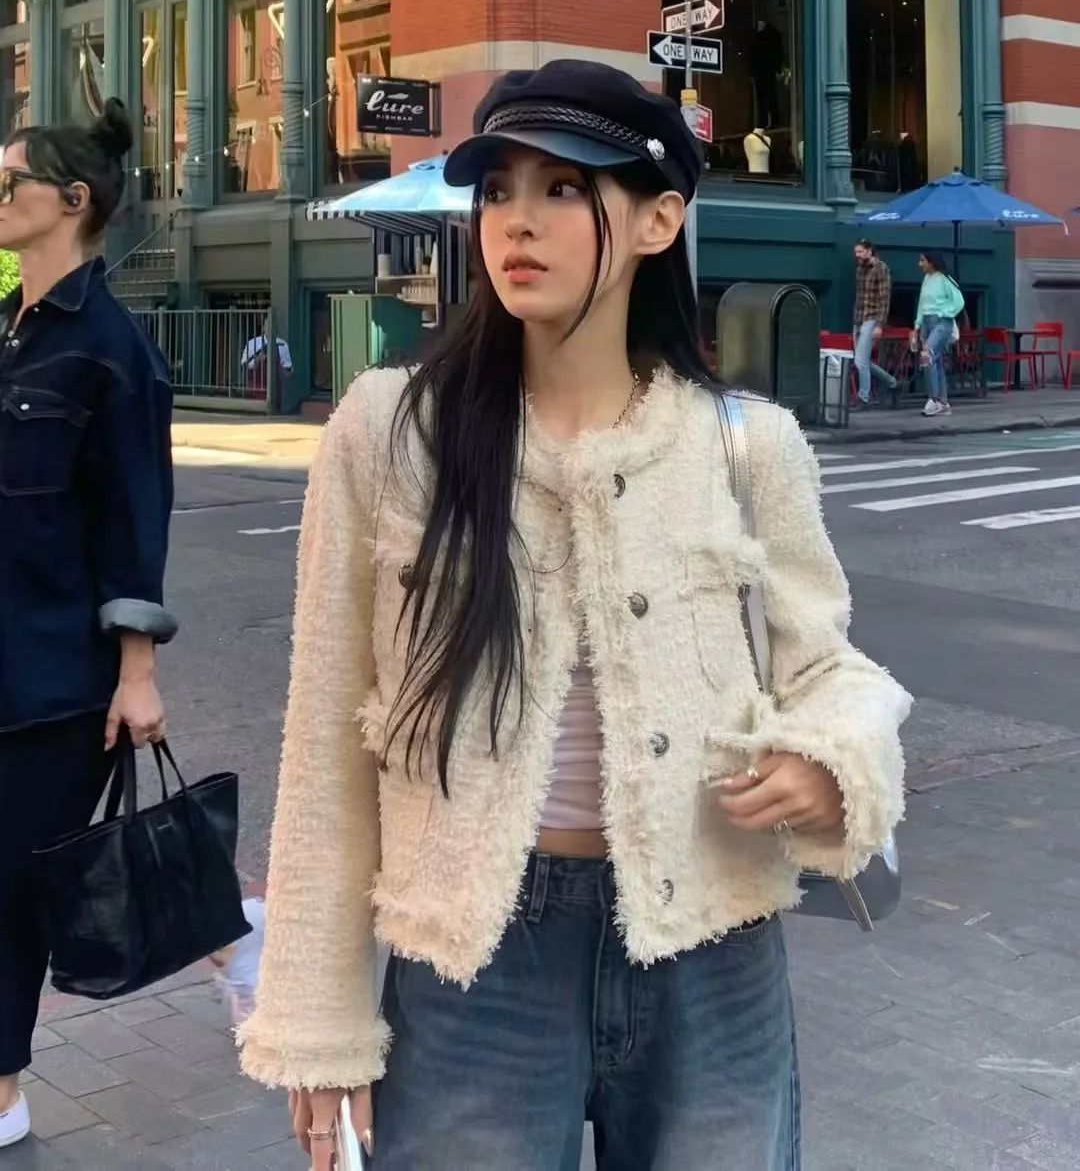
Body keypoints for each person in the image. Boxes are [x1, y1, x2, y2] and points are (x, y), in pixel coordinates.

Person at [239, 60, 910, 1171]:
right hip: (474, 959)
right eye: (498, 189)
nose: (517, 221)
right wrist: (318, 1020)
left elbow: (828, 669)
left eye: (563, 188)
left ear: (658, 220)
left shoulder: (745, 446)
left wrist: (831, 758)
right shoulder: (392, 434)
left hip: (712, 941)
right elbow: (325, 735)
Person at [0, 99, 176, 1149]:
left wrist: (136, 672)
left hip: (53, 678)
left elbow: (135, 520)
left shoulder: (113, 351)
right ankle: (233, 940)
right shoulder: (11, 329)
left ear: (71, 201)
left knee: (16, 887)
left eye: (9, 181)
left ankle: (4, 1094)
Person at [911, 251, 965, 417]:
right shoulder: (926, 279)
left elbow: (959, 301)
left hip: (941, 323)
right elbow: (922, 304)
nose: (920, 264)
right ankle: (943, 402)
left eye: (923, 261)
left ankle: (933, 400)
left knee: (927, 355)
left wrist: (945, 313)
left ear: (932, 262)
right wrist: (917, 325)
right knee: (936, 361)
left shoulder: (945, 279)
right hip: (926, 323)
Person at [852, 239, 898, 407]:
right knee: (861, 360)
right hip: (859, 317)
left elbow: (884, 299)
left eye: (860, 252)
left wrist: (879, 325)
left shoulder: (881, 268)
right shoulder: (859, 269)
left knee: (860, 361)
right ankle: (892, 383)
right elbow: (859, 295)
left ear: (869, 251)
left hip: (872, 318)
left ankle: (864, 398)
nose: (857, 255)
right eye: (856, 252)